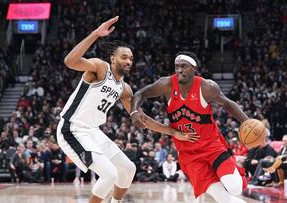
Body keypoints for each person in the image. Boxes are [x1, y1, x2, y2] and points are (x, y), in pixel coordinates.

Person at [57, 17, 198, 203]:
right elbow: (70, 61)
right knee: (109, 174)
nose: (128, 61)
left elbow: (142, 119)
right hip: (72, 128)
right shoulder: (100, 67)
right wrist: (95, 34)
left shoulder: (124, 89)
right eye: (124, 57)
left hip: (93, 132)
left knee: (128, 169)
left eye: (131, 58)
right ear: (112, 58)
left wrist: (173, 132)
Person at [131, 51, 252, 203]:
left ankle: (232, 175)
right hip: (188, 154)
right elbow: (140, 94)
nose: (179, 70)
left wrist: (247, 121)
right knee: (222, 197)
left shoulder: (207, 87)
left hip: (211, 146)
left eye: (184, 66)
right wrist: (134, 111)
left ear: (194, 68)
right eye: (177, 67)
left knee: (235, 188)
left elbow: (227, 103)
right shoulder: (166, 84)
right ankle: (219, 179)